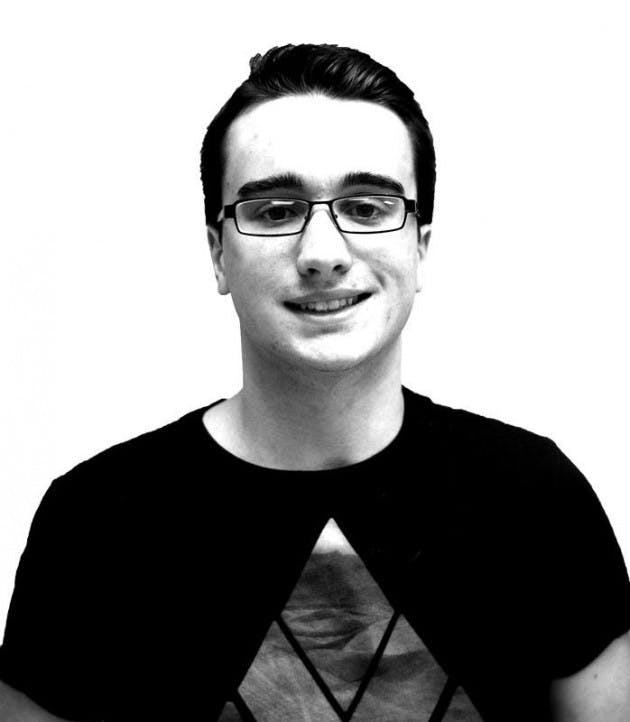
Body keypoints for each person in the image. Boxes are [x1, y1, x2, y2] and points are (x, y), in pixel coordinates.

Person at [1, 43, 629, 722]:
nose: (323, 254)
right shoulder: (94, 524)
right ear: (218, 253)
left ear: (419, 246)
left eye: (368, 207)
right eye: (275, 211)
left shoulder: (535, 498)